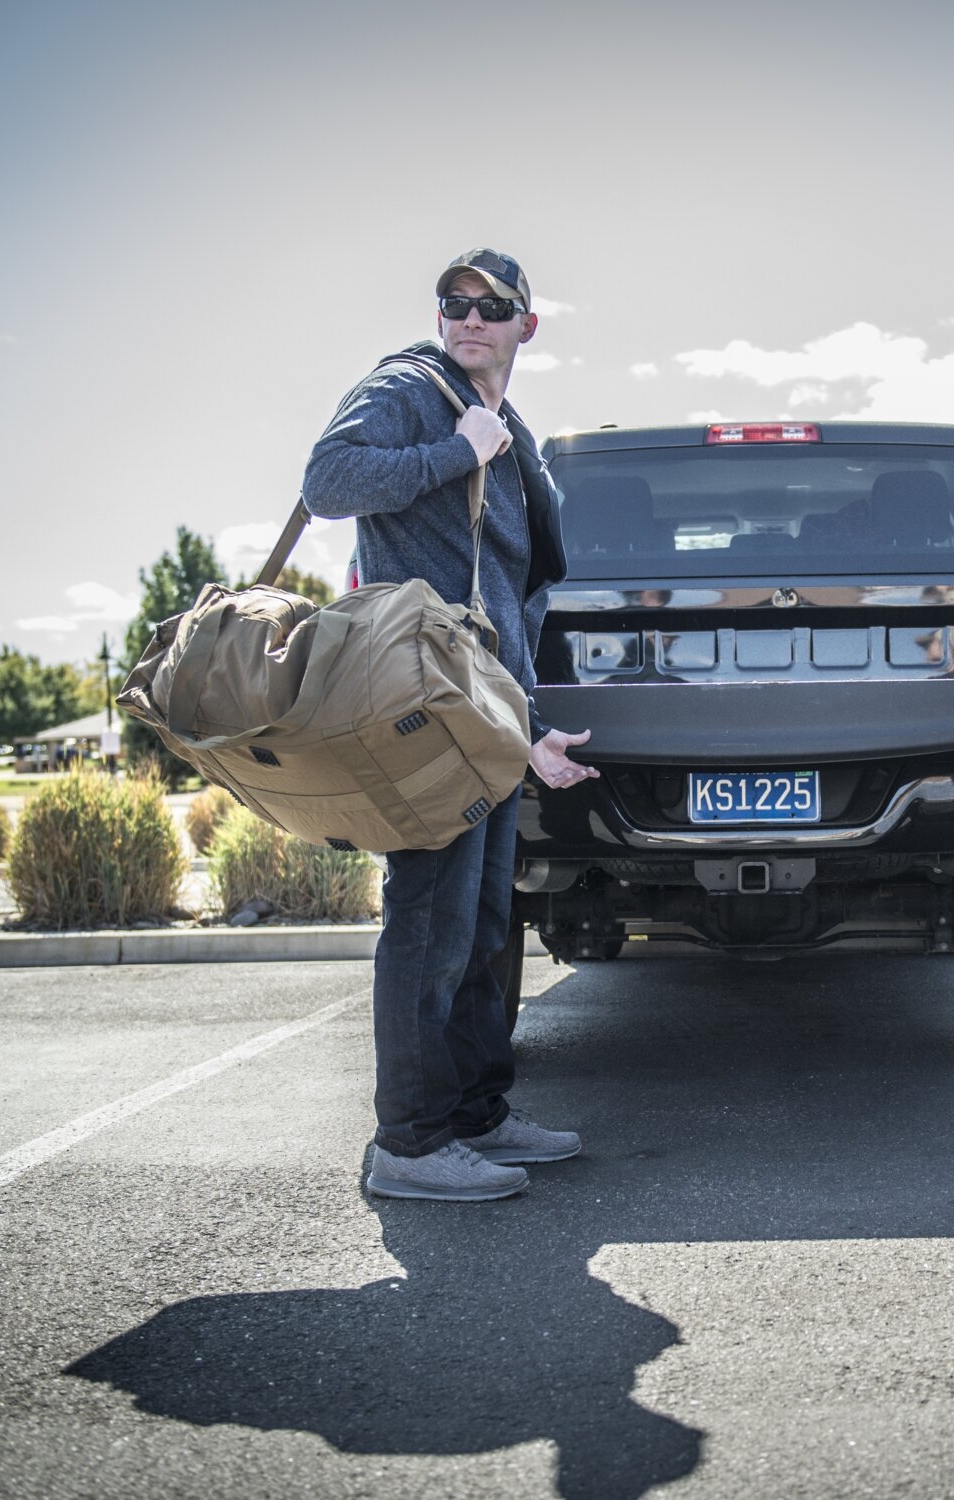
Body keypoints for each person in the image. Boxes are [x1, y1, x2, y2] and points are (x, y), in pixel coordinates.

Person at [303, 248, 599, 1202]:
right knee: (429, 923)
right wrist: (453, 453)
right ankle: (412, 1145)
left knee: (480, 929)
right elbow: (328, 481)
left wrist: (530, 727)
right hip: (421, 712)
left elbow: (510, 601)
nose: (469, 319)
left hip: (486, 716)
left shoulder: (509, 428)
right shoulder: (411, 390)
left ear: (526, 324)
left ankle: (476, 1114)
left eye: (491, 306)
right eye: (454, 304)